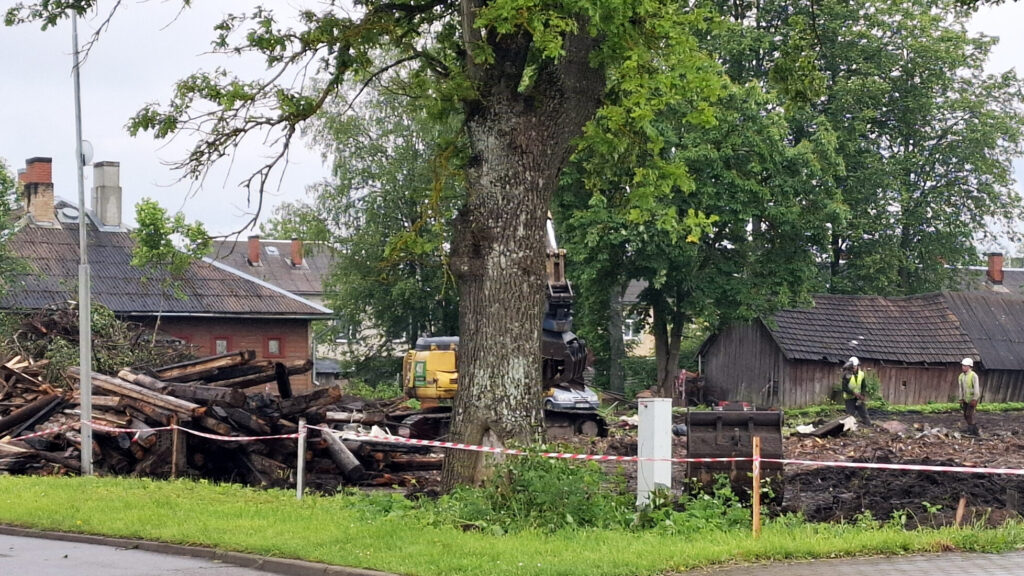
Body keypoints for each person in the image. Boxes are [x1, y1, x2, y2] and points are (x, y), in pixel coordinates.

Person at [841, 356, 872, 426]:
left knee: (864, 413)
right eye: (852, 367)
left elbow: (864, 386)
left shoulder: (861, 374)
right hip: (849, 398)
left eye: (854, 366)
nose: (853, 368)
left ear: (857, 365)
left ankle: (869, 426)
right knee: (850, 415)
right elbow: (844, 388)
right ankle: (849, 428)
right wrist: (854, 393)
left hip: (859, 397)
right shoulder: (846, 375)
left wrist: (862, 394)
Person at [958, 357, 982, 436]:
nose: (963, 367)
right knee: (965, 415)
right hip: (965, 399)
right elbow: (960, 388)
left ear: (969, 367)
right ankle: (972, 429)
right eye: (963, 366)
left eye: (965, 366)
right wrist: (961, 398)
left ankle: (973, 430)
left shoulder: (973, 376)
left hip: (972, 399)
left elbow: (976, 388)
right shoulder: (961, 376)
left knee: (970, 415)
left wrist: (975, 399)